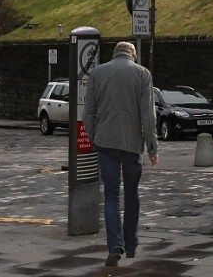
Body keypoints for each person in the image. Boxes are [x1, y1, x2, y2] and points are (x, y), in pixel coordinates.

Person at [82, 40, 158, 267]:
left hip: (106, 143)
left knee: (111, 196)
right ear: (132, 55)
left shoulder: (97, 73)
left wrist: (95, 137)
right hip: (132, 144)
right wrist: (152, 147)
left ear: (115, 54)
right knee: (132, 193)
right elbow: (148, 116)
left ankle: (115, 246)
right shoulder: (143, 74)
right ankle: (132, 244)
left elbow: (88, 113)